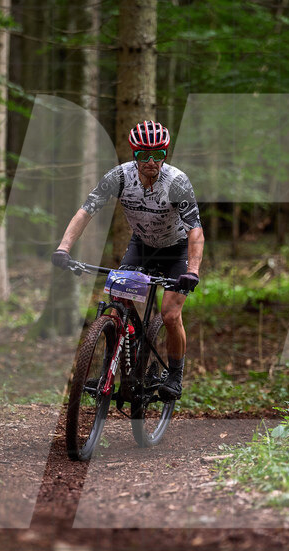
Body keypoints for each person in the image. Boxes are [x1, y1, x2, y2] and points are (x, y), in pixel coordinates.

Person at [51, 120, 203, 400]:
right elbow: (86, 211)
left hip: (176, 249)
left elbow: (195, 231)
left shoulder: (177, 182)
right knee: (115, 308)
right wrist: (63, 248)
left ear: (165, 155)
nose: (150, 161)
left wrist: (192, 270)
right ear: (134, 155)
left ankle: (175, 374)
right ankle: (111, 367)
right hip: (142, 247)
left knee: (170, 314)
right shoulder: (119, 177)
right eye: (143, 155)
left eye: (158, 154)